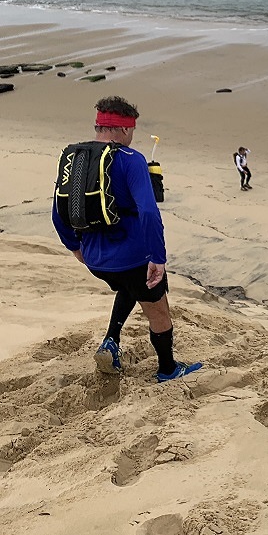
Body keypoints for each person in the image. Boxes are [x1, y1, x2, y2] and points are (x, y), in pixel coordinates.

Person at [51, 96, 203, 382]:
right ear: (123, 130)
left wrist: (75, 248)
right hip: (134, 257)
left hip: (95, 259)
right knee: (158, 310)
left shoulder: (75, 157)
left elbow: (58, 211)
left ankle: (111, 340)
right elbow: (148, 212)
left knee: (128, 285)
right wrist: (158, 258)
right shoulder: (132, 160)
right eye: (131, 130)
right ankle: (168, 369)